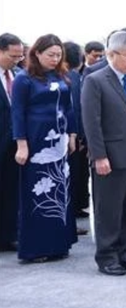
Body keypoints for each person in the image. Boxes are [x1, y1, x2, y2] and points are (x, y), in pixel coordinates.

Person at [82, 31, 126, 276]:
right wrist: (99, 156)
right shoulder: (95, 80)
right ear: (111, 54)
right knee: (109, 210)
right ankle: (107, 257)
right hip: (110, 158)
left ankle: (125, 253)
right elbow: (92, 123)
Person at [11, 34, 78, 262]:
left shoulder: (62, 76)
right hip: (37, 141)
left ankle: (59, 243)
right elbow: (17, 112)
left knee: (61, 191)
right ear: (37, 53)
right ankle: (36, 248)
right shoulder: (24, 79)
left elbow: (69, 108)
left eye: (58, 55)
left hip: (58, 140)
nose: (55, 58)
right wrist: (21, 144)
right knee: (37, 193)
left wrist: (72, 134)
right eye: (50, 55)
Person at [0, 33, 24, 252]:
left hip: (14, 144)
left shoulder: (18, 75)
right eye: (13, 56)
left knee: (10, 190)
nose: (17, 60)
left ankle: (8, 235)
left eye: (20, 56)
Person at [63, 42, 90, 234]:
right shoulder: (72, 77)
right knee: (71, 178)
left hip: (70, 137)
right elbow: (77, 110)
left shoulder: (68, 76)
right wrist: (79, 134)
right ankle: (69, 218)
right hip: (71, 138)